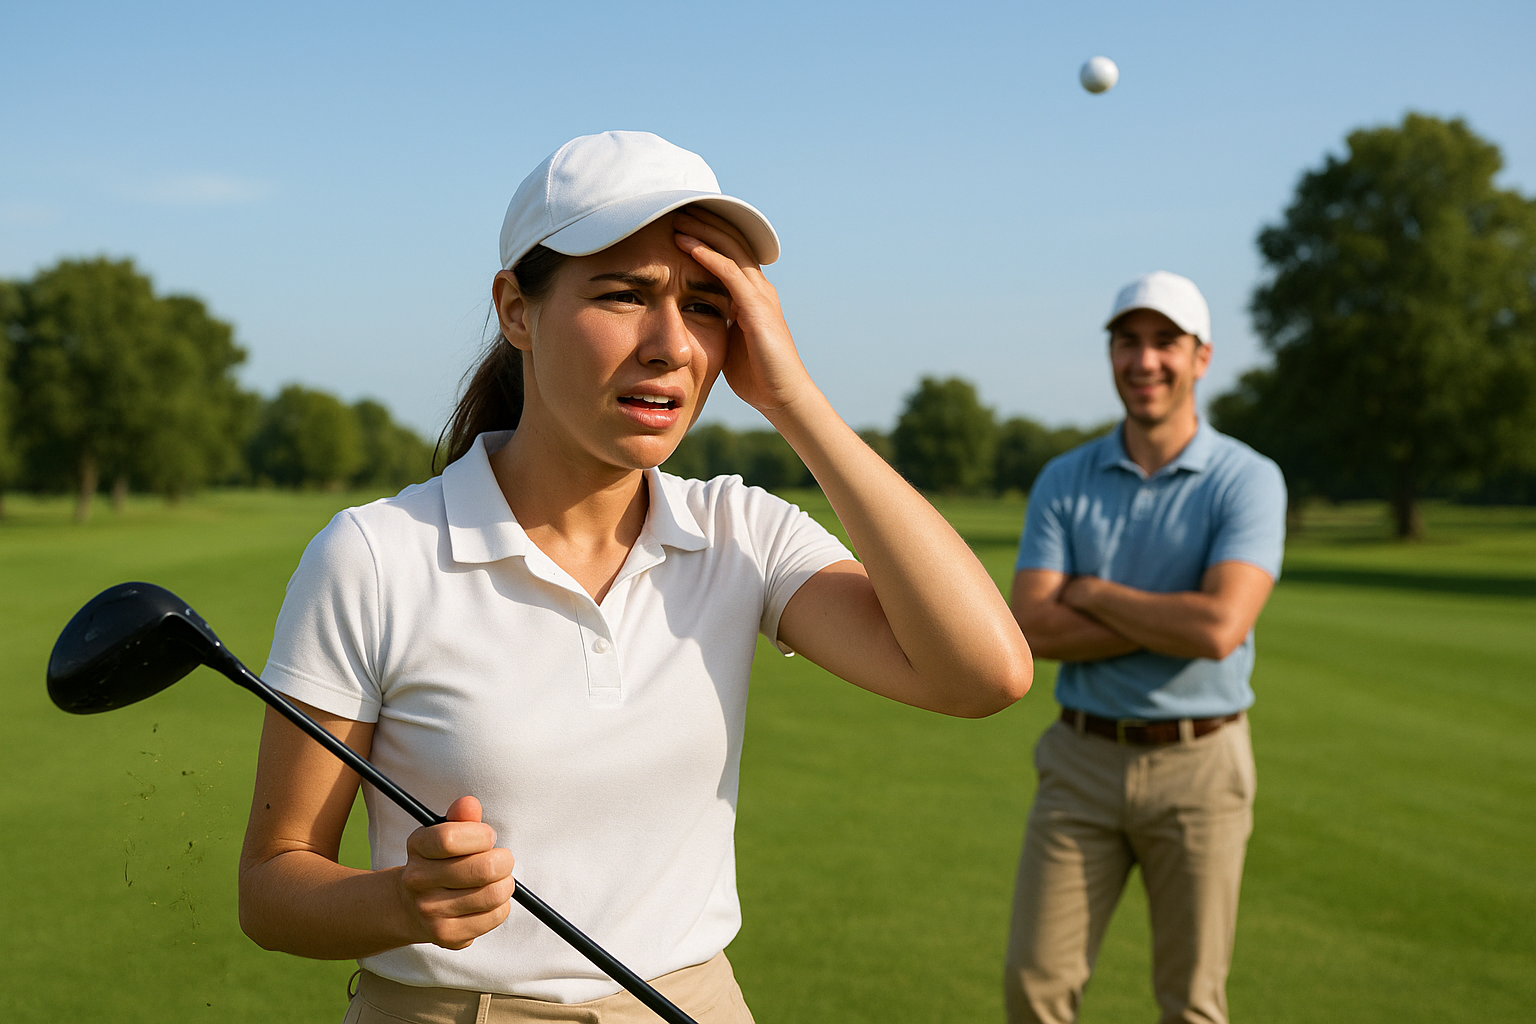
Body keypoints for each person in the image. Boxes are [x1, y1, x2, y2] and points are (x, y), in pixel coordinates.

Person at [237, 130, 1033, 1024]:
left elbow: (984, 674)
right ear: (516, 309)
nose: (671, 346)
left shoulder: (739, 529)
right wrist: (399, 901)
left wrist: (792, 401)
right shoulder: (377, 555)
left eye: (706, 306)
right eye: (623, 295)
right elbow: (273, 883)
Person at [1002, 271, 1286, 1024]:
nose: (1145, 360)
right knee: (1035, 988)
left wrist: (1090, 592)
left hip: (1202, 767)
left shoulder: (1248, 480)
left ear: (1202, 358)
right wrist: (1170, 615)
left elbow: (1218, 630)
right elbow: (1030, 627)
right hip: (1080, 761)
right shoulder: (1066, 478)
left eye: (1166, 342)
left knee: (1191, 1004)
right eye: (1128, 342)